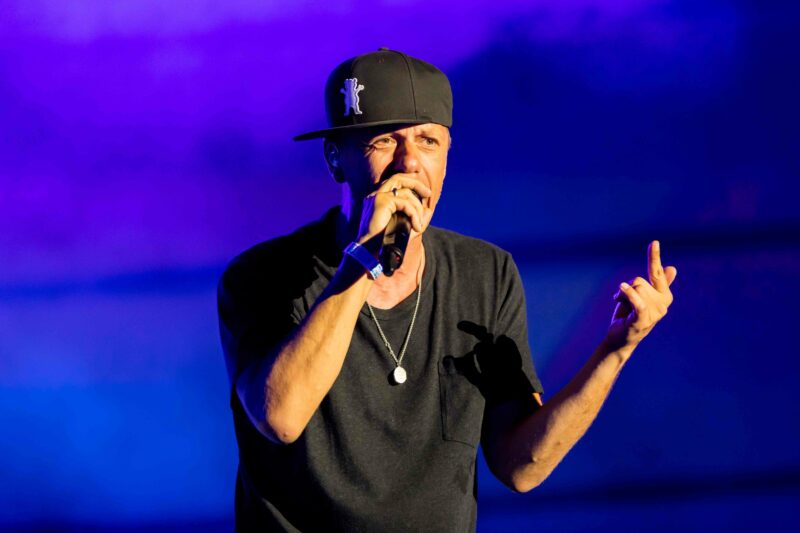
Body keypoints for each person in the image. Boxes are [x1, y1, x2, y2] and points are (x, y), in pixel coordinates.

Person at [217, 48, 677, 532]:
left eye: (428, 141)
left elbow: (522, 466)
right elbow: (281, 417)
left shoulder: (485, 273)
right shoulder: (263, 275)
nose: (409, 162)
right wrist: (363, 260)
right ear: (335, 157)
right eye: (384, 141)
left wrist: (615, 349)